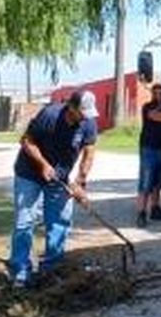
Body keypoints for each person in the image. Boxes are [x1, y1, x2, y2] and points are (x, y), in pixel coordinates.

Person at [9, 89, 97, 288]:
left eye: (88, 112)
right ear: (71, 107)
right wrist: (42, 164)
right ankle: (20, 271)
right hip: (29, 173)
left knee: (59, 222)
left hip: (60, 177)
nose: (86, 117)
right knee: (25, 220)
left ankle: (52, 270)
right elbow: (26, 141)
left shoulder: (89, 122)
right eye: (82, 111)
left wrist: (80, 182)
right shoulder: (49, 115)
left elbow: (89, 152)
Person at [137, 82, 161, 227]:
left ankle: (155, 208)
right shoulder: (147, 107)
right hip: (149, 148)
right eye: (156, 93)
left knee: (158, 182)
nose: (159, 96)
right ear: (152, 94)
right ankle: (141, 213)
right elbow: (156, 117)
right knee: (146, 181)